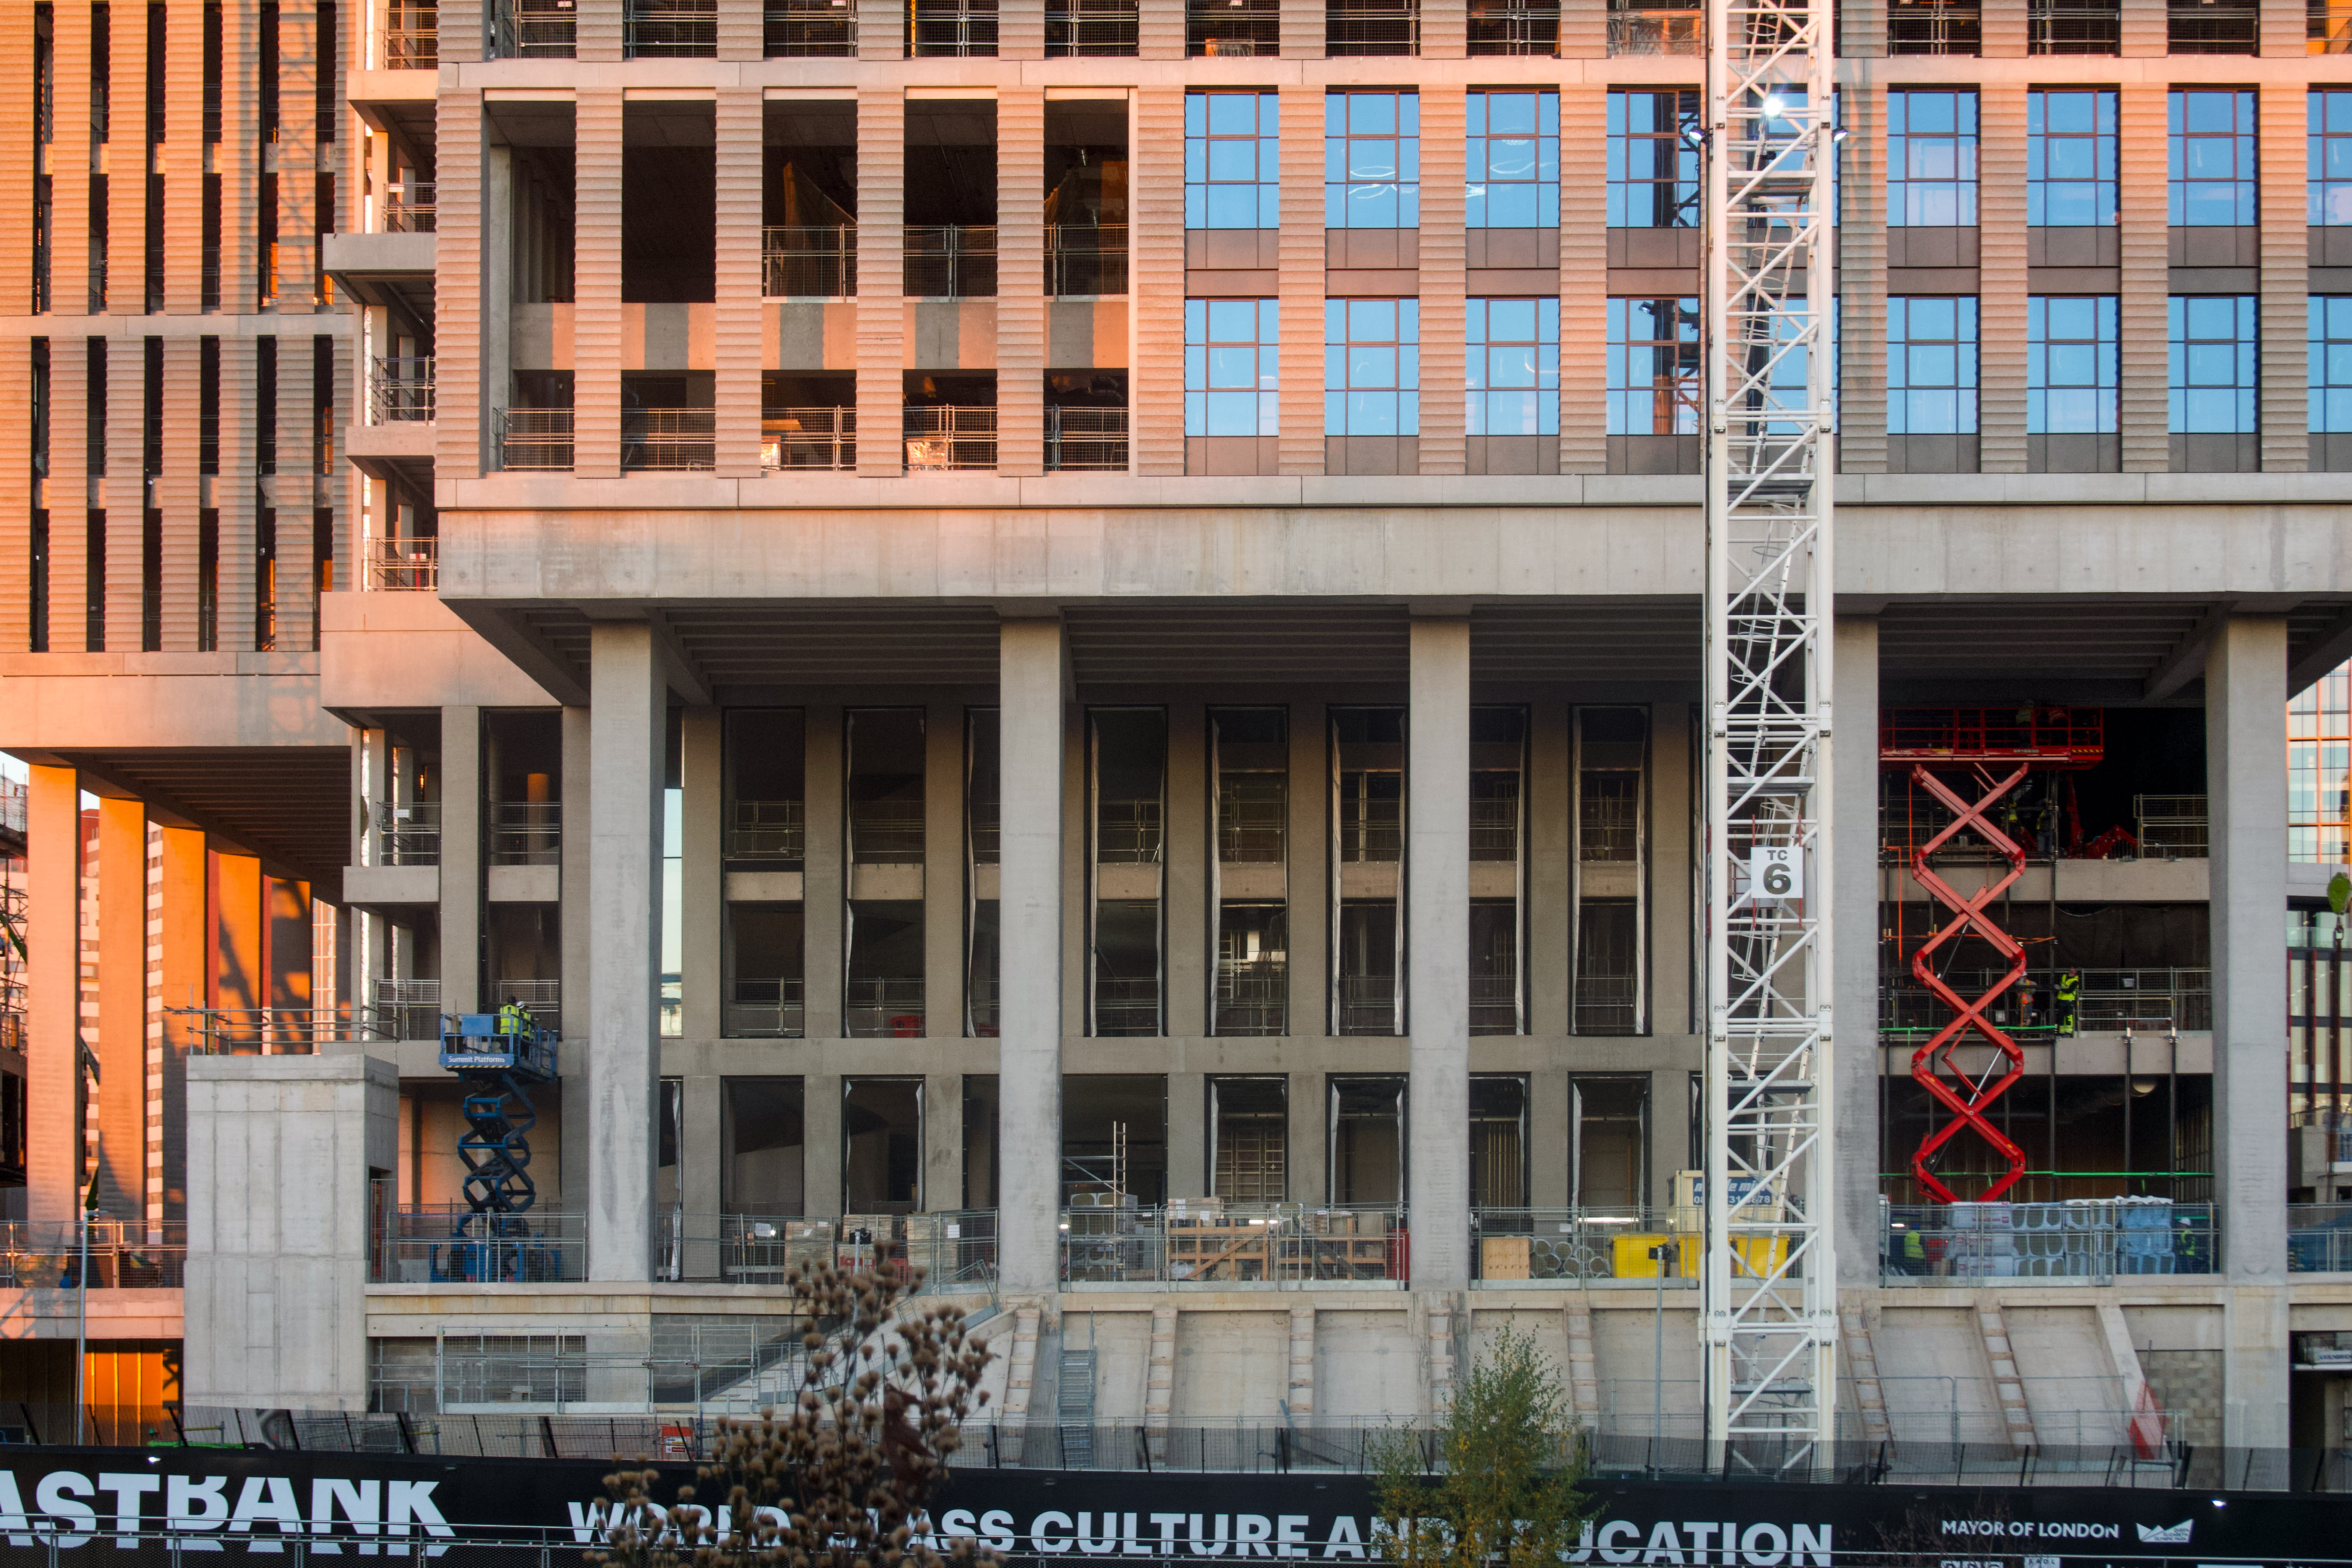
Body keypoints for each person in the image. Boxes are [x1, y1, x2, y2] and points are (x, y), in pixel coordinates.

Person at [2055, 969, 2080, 1037]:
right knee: (2061, 1016)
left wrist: (2061, 989)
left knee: (2068, 1016)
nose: (2071, 973)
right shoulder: (2064, 977)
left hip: (2069, 1001)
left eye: (2073, 972)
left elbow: (2070, 991)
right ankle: (2061, 1032)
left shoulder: (2075, 981)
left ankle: (2068, 1032)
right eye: (2071, 972)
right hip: (2061, 1000)